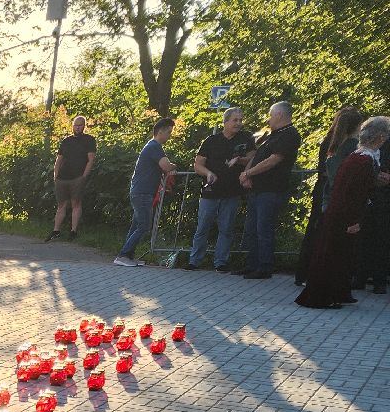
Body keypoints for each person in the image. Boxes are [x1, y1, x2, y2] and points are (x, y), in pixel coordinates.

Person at [297, 116, 390, 308]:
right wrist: (353, 221)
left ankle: (338, 293)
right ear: (379, 138)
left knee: (342, 256)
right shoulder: (363, 161)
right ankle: (323, 297)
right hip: (344, 215)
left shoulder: (358, 157)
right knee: (335, 256)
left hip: (339, 212)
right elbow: (355, 194)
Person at [298, 107, 365, 284]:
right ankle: (326, 277)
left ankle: (306, 273)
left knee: (318, 231)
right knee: (332, 236)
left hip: (325, 191)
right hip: (336, 193)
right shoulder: (351, 146)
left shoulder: (331, 141)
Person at [239, 102, 303, 279]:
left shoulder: (290, 135)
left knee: (264, 229)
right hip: (257, 188)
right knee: (252, 229)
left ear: (280, 115)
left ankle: (264, 267)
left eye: (271, 115)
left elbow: (273, 160)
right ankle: (251, 264)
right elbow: (259, 156)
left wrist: (249, 173)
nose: (269, 118)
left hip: (272, 189)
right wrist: (247, 175)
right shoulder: (272, 135)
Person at [185, 107, 253, 271]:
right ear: (226, 122)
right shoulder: (211, 140)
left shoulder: (245, 138)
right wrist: (208, 173)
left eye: (240, 120)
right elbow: (197, 165)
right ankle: (195, 261)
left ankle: (221, 262)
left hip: (232, 192)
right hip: (210, 191)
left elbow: (253, 158)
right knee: (202, 227)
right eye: (235, 120)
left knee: (226, 229)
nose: (238, 123)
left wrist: (239, 160)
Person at [113, 116, 176, 267]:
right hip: (143, 193)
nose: (169, 136)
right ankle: (122, 255)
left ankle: (128, 255)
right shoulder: (154, 146)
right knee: (144, 226)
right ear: (160, 132)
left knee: (136, 225)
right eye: (168, 132)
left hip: (141, 192)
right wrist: (174, 166)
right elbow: (166, 166)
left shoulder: (152, 146)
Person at [47, 115, 96, 241]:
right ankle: (56, 230)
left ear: (84, 126)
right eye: (76, 125)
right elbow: (59, 160)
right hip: (62, 178)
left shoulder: (89, 140)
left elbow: (91, 160)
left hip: (77, 178)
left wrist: (84, 176)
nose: (78, 127)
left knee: (76, 204)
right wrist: (56, 176)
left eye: (80, 125)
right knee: (61, 205)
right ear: (72, 126)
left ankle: (73, 231)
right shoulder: (66, 141)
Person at [353, 150, 390, 294]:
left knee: (382, 240)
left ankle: (378, 280)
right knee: (364, 238)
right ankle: (360, 276)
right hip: (370, 196)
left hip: (384, 199)